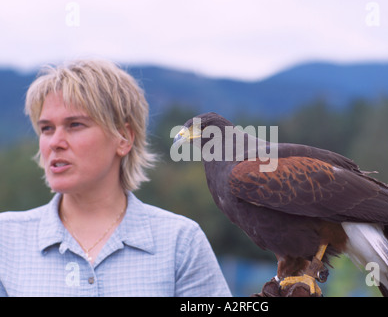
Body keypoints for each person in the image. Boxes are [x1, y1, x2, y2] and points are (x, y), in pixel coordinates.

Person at [0, 59, 231, 297]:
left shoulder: (181, 242)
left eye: (75, 124)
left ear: (123, 138)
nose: (55, 142)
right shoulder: (5, 239)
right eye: (47, 128)